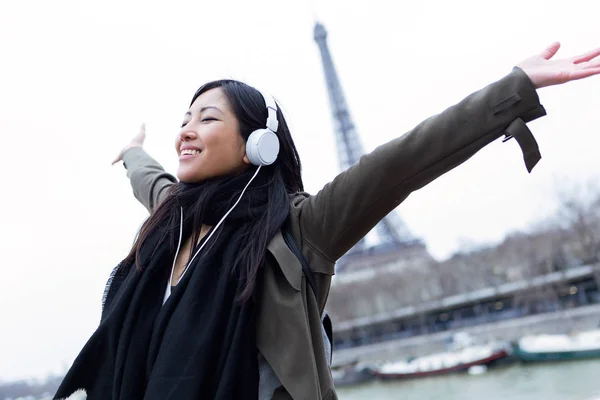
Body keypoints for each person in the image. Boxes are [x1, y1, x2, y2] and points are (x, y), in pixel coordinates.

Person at [55, 42, 600, 400]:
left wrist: (512, 90)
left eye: (207, 118)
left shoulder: (298, 230)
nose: (187, 130)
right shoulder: (172, 224)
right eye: (183, 120)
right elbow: (151, 182)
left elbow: (400, 164)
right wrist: (132, 152)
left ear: (258, 146)